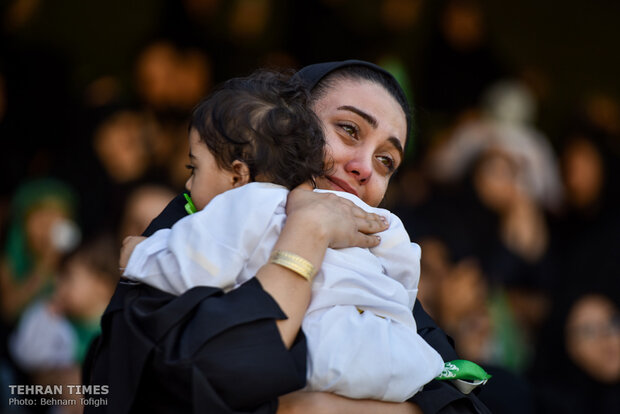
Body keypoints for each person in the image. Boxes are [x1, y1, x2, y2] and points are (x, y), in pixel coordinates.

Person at [84, 60, 491, 414]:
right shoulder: (197, 220)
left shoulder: (375, 265)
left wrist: (319, 409)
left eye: (387, 161)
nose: (365, 166)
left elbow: (459, 400)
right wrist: (307, 232)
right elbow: (147, 384)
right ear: (284, 126)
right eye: (349, 130)